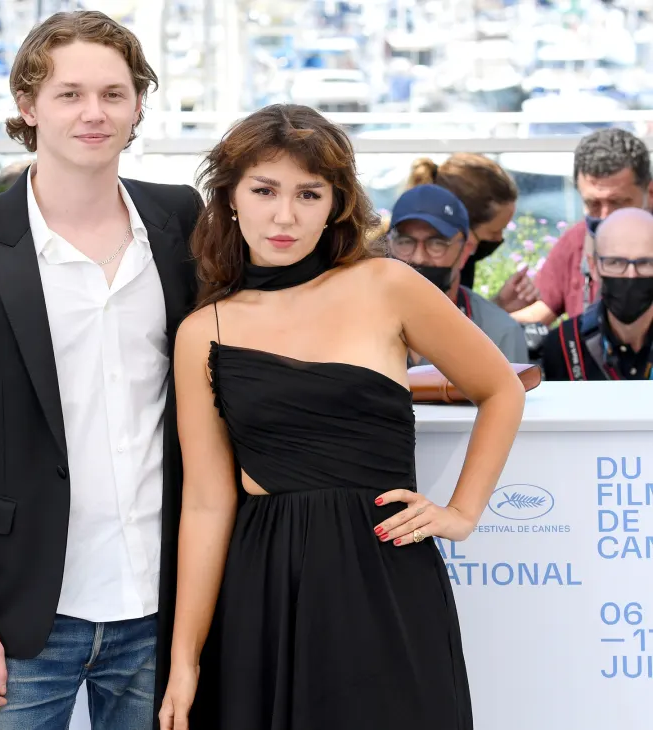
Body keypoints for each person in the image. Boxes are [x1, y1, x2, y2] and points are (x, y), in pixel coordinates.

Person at [158, 104, 526, 730]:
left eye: (309, 193)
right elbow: (206, 504)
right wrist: (185, 658)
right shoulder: (204, 330)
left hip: (383, 574)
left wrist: (461, 512)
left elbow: (501, 388)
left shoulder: (387, 284)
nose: (284, 215)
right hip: (263, 584)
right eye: (264, 190)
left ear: (335, 204)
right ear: (231, 197)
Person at [0, 10, 202, 730]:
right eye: (69, 94)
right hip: (20, 615)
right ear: (28, 107)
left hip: (165, 607)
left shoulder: (182, 221)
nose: (93, 113)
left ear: (137, 107)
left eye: (114, 94)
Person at [513, 128, 653, 325]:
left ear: (650, 192)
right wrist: (492, 316)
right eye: (593, 204)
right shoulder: (577, 240)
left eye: (618, 202)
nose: (605, 216)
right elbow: (540, 312)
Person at [388, 184, 530, 364]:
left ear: (465, 251)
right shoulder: (359, 320)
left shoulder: (497, 333)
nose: (419, 257)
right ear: (388, 244)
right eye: (405, 242)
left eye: (436, 243)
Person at [406, 154, 538, 313]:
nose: (499, 239)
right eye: (494, 231)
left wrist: (499, 305)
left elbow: (456, 322)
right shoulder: (420, 270)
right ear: (460, 227)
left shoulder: (460, 262)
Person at [542, 207, 653, 381]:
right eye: (615, 262)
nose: (631, 275)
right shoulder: (563, 345)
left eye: (646, 263)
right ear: (593, 267)